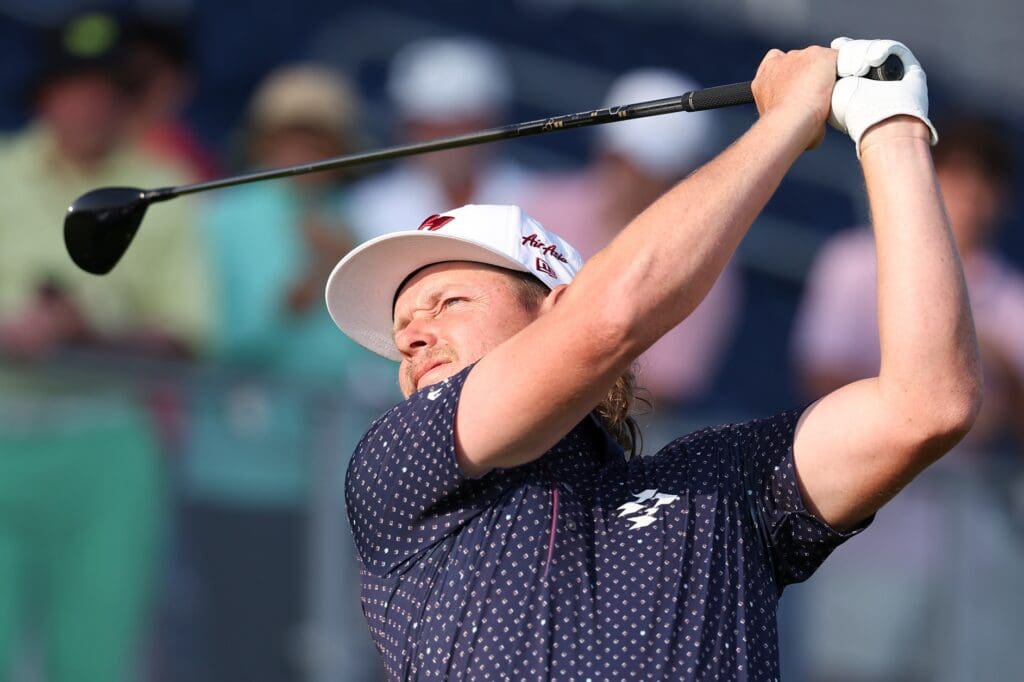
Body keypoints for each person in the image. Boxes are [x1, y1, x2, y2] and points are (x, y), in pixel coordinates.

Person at [323, 39, 982, 679]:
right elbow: (611, 320)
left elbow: (927, 405)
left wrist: (891, 128)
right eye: (403, 325)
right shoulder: (396, 459)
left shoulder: (717, 479)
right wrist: (787, 118)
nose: (411, 336)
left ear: (550, 308)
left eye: (448, 302)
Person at [0, 11, 210, 682]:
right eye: (71, 85)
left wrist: (87, 336)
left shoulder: (166, 185)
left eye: (105, 88)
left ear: (127, 100)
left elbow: (187, 337)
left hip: (109, 443)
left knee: (96, 655)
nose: (87, 102)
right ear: (43, 95)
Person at [790, 116, 1024, 680]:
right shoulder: (851, 262)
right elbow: (820, 375)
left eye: (982, 186)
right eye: (956, 179)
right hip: (868, 529)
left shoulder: (1009, 296)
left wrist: (987, 368)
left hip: (966, 552)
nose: (969, 201)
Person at [178, 64, 391, 682]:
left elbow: (369, 354)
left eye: (319, 139)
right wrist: (303, 292)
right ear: (264, 142)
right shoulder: (221, 219)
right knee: (240, 641)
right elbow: (212, 345)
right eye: (290, 137)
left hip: (335, 487)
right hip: (235, 476)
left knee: (326, 650)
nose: (304, 153)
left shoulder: (360, 223)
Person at [522, 68, 739, 407]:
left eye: (647, 169)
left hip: (611, 430)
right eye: (621, 159)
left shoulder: (707, 256)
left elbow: (664, 387)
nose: (627, 176)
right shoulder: (544, 206)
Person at [346, 36, 532, 241]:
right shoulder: (362, 209)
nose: (446, 143)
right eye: (429, 128)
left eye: (461, 126)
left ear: (493, 124)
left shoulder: (540, 201)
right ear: (404, 129)